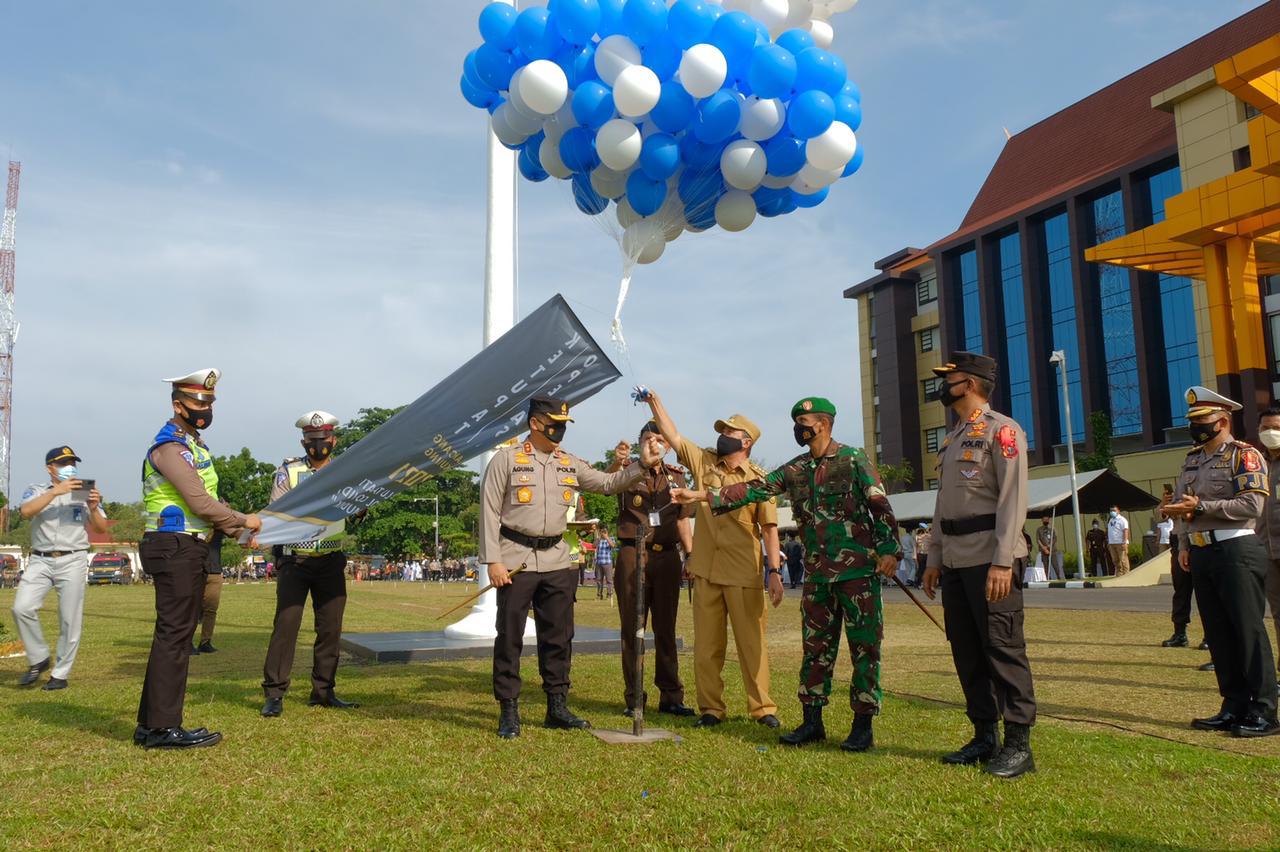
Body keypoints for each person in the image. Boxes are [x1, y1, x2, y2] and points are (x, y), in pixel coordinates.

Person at [674, 397, 900, 752]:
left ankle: (862, 725)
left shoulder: (853, 459)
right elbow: (751, 490)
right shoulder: (795, 469)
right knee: (815, 652)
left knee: (864, 649)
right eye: (797, 421)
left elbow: (879, 504)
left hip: (856, 573)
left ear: (823, 424)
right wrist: (702, 494)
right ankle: (812, 722)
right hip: (817, 576)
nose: (799, 427)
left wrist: (888, 550)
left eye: (804, 420)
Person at [482, 396, 660, 738]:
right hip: (515, 559)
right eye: (554, 422)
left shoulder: (569, 463)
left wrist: (641, 464)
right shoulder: (506, 460)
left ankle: (557, 706)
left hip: (558, 560)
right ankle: (509, 710)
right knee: (510, 637)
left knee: (559, 636)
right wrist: (494, 560)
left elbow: (607, 484)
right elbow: (489, 511)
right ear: (535, 423)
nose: (560, 429)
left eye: (564, 423)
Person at [920, 352, 1037, 778]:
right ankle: (984, 735)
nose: (942, 386)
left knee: (1003, 650)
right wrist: (934, 557)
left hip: (990, 556)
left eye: (948, 379)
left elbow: (1012, 499)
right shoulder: (953, 439)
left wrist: (1003, 561)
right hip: (954, 558)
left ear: (968, 384)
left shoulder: (1002, 430)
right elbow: (943, 505)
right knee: (967, 652)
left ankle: (1019, 745)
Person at [643, 389, 784, 729]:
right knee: (707, 646)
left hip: (743, 572)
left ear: (746, 442)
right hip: (705, 569)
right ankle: (711, 709)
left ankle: (762, 708)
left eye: (729, 433)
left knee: (752, 646)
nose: (721, 437)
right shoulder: (704, 461)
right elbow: (673, 435)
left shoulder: (759, 481)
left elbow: (769, 528)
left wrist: (775, 571)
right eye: (721, 432)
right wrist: (654, 402)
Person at [136, 369, 261, 749]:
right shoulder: (170, 447)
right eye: (197, 402)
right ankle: (162, 729)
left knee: (173, 634)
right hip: (174, 545)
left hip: (186, 546)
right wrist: (244, 521)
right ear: (178, 405)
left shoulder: (193, 447)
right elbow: (199, 502)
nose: (205, 408)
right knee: (175, 635)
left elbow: (210, 504)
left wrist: (239, 531)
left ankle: (151, 724)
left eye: (209, 402)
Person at [1164, 387, 1278, 736]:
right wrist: (1184, 541)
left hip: (1237, 549)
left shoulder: (1245, 456)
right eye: (1194, 422)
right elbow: (1185, 507)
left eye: (1204, 421)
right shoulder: (1192, 459)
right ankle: (1233, 704)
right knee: (1218, 633)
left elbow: (1251, 506)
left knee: (1247, 631)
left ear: (1223, 421)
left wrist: (1200, 508)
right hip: (1201, 551)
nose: (1197, 427)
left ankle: (1264, 710)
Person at [261, 411, 360, 717]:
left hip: (330, 558)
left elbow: (357, 509)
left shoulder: (346, 470)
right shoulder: (288, 471)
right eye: (312, 440)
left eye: (324, 439)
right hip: (295, 560)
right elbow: (278, 509)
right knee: (287, 626)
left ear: (334, 439)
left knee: (330, 629)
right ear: (303, 441)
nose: (318, 445)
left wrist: (360, 506)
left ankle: (323, 690)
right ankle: (274, 694)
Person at [606, 424, 696, 718]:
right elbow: (607, 484)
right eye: (647, 439)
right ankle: (634, 697)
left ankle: (671, 696)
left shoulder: (678, 476)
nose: (654, 444)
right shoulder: (627, 471)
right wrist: (618, 462)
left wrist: (690, 554)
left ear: (668, 446)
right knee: (632, 628)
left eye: (660, 440)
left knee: (666, 629)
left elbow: (683, 520)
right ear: (639, 443)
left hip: (667, 556)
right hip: (634, 553)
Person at [12, 446, 108, 690]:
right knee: (21, 607)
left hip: (73, 558)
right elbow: (25, 511)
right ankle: (39, 657)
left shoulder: (83, 489)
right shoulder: (37, 490)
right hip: (41, 558)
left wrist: (95, 507)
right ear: (50, 468)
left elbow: (100, 528)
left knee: (69, 619)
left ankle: (60, 674)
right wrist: (56, 492)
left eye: (72, 462)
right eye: (63, 463)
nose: (70, 467)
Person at [1256, 406, 1280, 686]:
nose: (1270, 433)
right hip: (1267, 551)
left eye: (1275, 427)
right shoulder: (1258, 465)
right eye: (1265, 428)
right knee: (1278, 614)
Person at [1159, 485, 1198, 649]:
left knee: (1206, 592)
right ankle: (1180, 633)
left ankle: (1210, 636)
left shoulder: (1204, 489)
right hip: (1178, 540)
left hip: (1199, 538)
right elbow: (1160, 517)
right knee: (1181, 589)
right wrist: (1165, 503)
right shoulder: (1178, 492)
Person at [192, 531, 224, 654]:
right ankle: (187, 642)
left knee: (211, 610)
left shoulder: (219, 527)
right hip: (196, 571)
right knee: (192, 608)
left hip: (214, 571)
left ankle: (205, 642)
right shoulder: (194, 525)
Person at [1036, 517, 1064, 581]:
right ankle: (1048, 577)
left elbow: (1055, 538)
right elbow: (1038, 540)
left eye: (1047, 519)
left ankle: (1059, 577)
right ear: (1042, 520)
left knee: (1055, 564)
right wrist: (1043, 548)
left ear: (1049, 520)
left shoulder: (1052, 529)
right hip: (1043, 550)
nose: (1045, 520)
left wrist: (1049, 546)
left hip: (1052, 549)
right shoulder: (1039, 529)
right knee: (1045, 565)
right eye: (1044, 519)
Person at [1106, 505, 1131, 576]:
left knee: (1123, 560)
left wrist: (1125, 542)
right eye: (1111, 511)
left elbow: (1125, 530)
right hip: (1112, 543)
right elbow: (1110, 532)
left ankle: (1126, 574)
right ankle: (1119, 574)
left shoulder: (1122, 520)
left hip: (1120, 543)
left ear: (1118, 511)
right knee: (1115, 560)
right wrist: (1109, 542)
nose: (1112, 512)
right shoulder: (1111, 520)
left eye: (1114, 510)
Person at [594, 526, 615, 601]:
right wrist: (599, 538)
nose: (603, 533)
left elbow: (613, 545)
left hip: (607, 562)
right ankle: (599, 595)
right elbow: (594, 546)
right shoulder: (598, 539)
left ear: (607, 532)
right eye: (602, 531)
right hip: (599, 563)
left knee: (609, 580)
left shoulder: (611, 538)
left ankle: (609, 595)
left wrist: (607, 537)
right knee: (599, 579)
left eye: (605, 531)